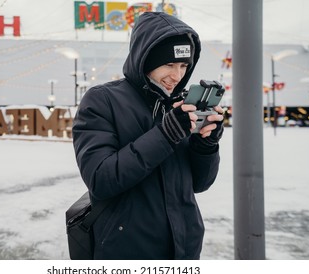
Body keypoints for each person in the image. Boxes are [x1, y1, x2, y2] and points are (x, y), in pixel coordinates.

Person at [72, 12, 224, 260]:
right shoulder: (102, 100)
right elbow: (100, 179)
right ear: (146, 59)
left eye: (184, 66)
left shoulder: (180, 104)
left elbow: (200, 184)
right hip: (127, 251)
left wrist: (205, 144)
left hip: (184, 248)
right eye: (169, 64)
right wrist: (165, 134)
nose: (177, 76)